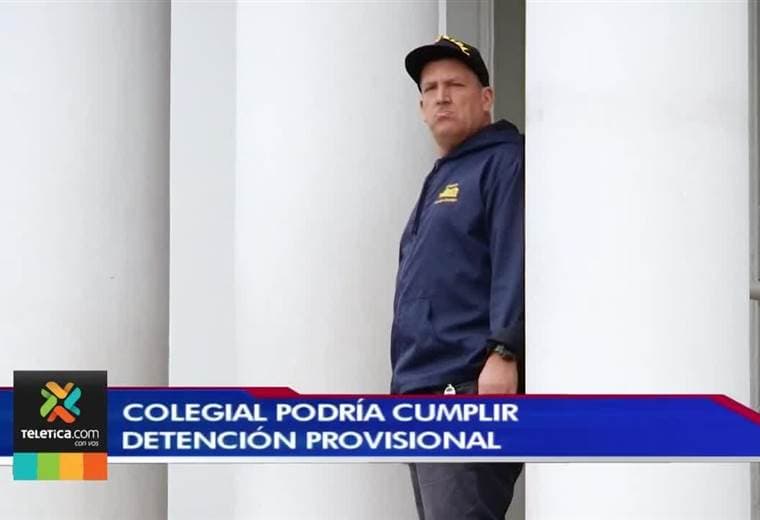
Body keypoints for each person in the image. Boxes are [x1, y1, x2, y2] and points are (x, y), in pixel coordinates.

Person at [390, 35, 525, 520]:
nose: (441, 97)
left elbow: (516, 255)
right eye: (430, 89)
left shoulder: (505, 161)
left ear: (486, 98)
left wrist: (505, 350)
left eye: (455, 85)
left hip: (465, 387)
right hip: (423, 388)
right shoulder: (445, 175)